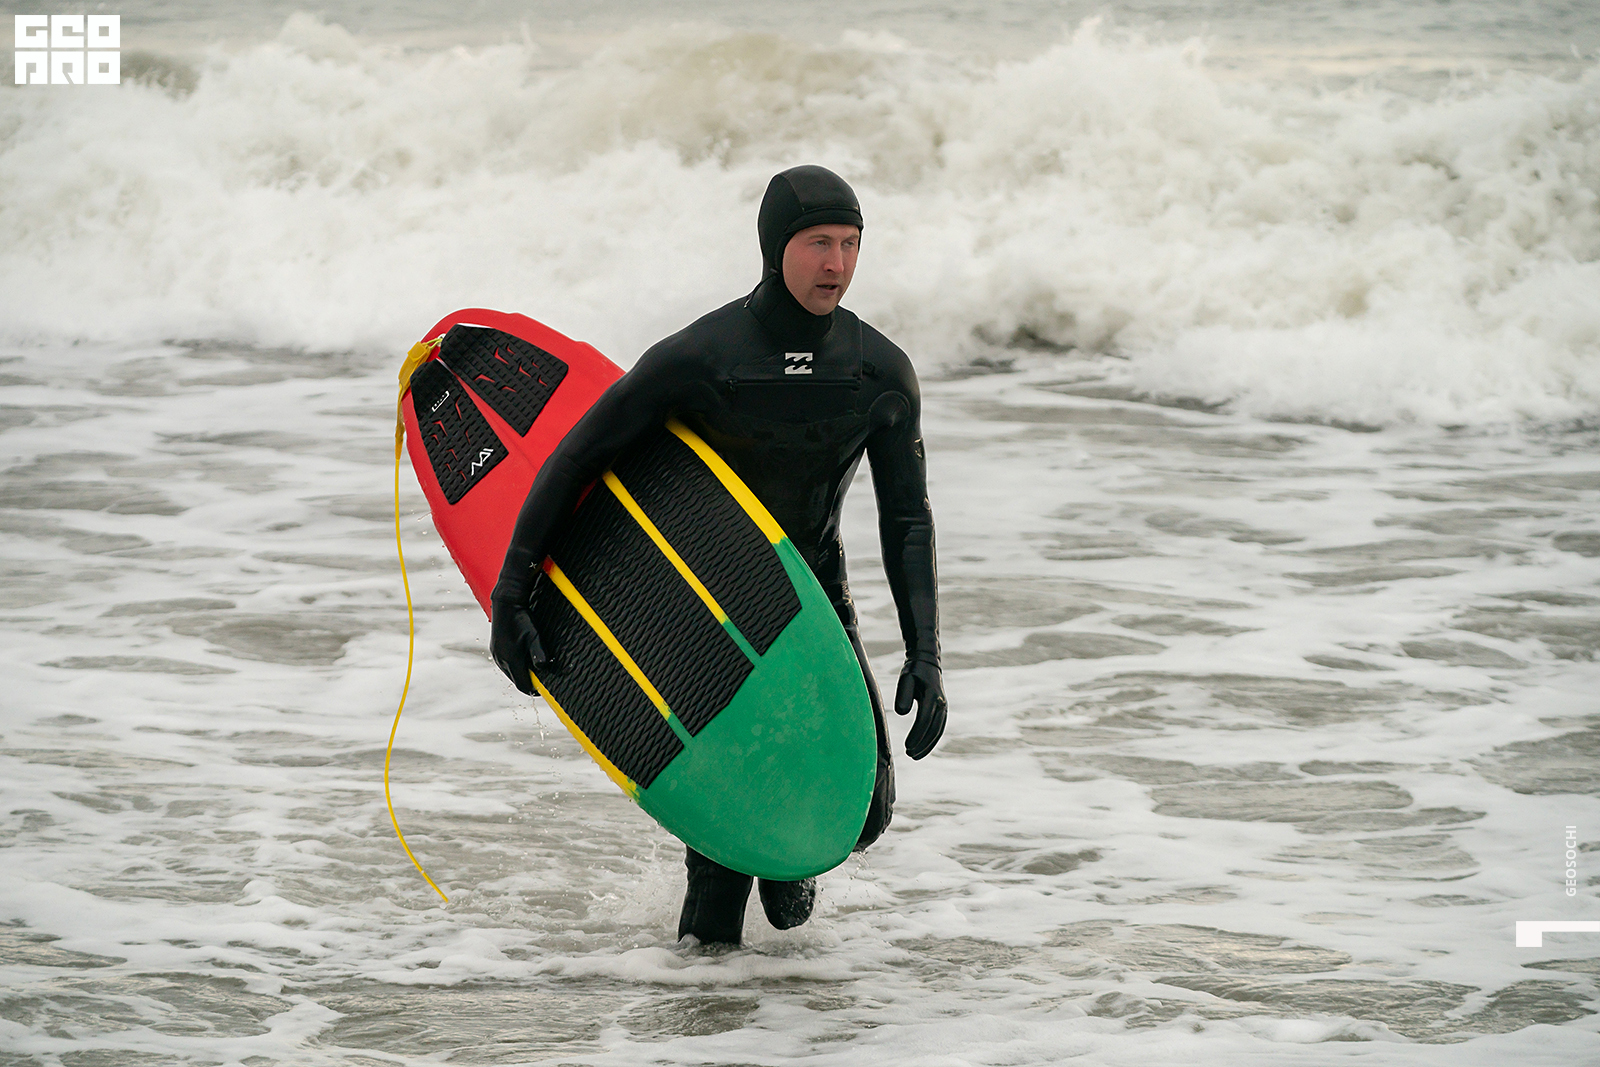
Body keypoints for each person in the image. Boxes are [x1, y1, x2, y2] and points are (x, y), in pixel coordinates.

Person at [488, 164, 945, 946]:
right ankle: (701, 1002)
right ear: (775, 247)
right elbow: (578, 458)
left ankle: (781, 875)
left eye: (850, 244)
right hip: (703, 610)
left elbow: (908, 518)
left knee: (860, 810)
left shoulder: (876, 373)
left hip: (810, 606)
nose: (836, 263)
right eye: (818, 243)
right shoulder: (702, 358)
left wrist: (925, 652)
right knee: (722, 861)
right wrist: (512, 592)